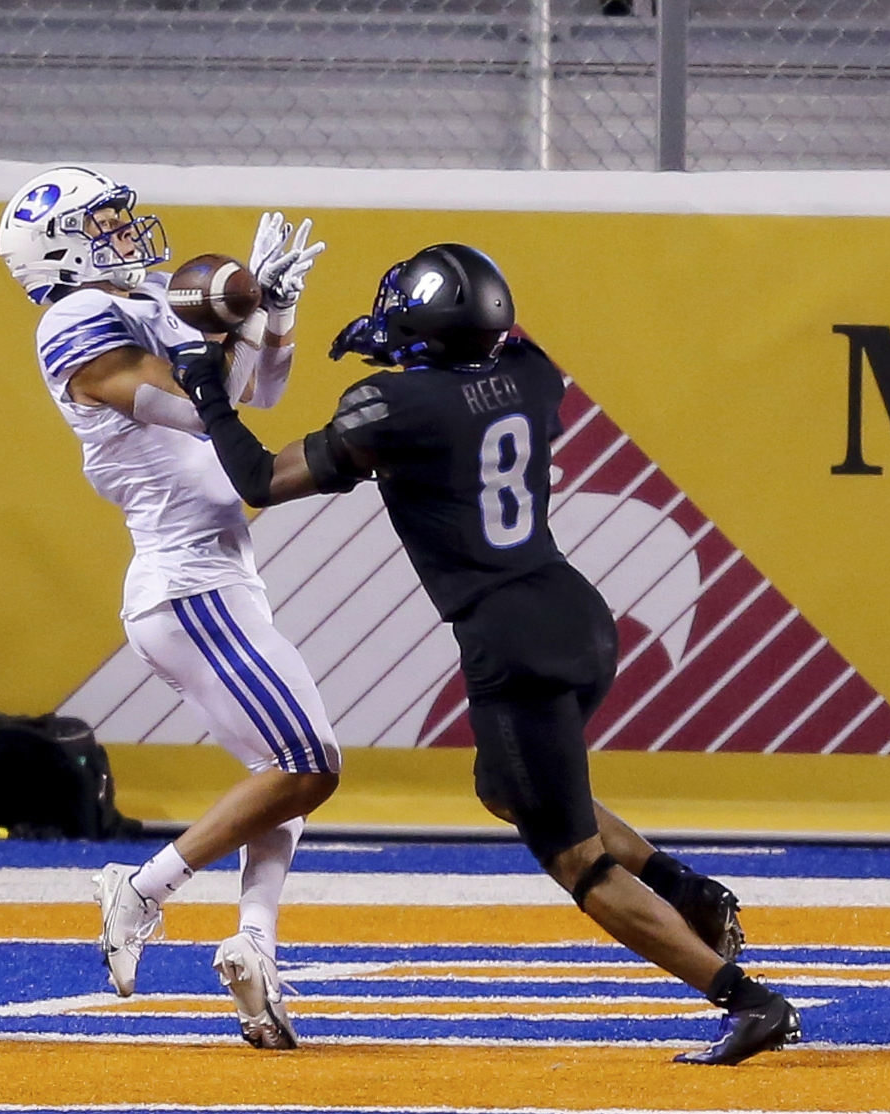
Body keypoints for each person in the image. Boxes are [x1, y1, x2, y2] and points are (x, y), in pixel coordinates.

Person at [170, 243, 800, 1066]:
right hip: (576, 614)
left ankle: (746, 1000)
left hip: (507, 637)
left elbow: (260, 477)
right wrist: (416, 336)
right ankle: (688, 889)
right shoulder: (535, 377)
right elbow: (492, 343)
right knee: (508, 789)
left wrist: (209, 390)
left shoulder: (389, 405)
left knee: (570, 855)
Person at [0, 166, 338, 1050]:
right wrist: (235, 315)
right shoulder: (70, 321)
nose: (124, 232)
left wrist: (273, 313)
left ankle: (253, 949)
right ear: (58, 245)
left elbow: (254, 394)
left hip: (217, 580)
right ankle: (142, 888)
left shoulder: (140, 296)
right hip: (186, 586)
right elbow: (192, 406)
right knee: (309, 759)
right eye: (100, 223)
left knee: (279, 786)